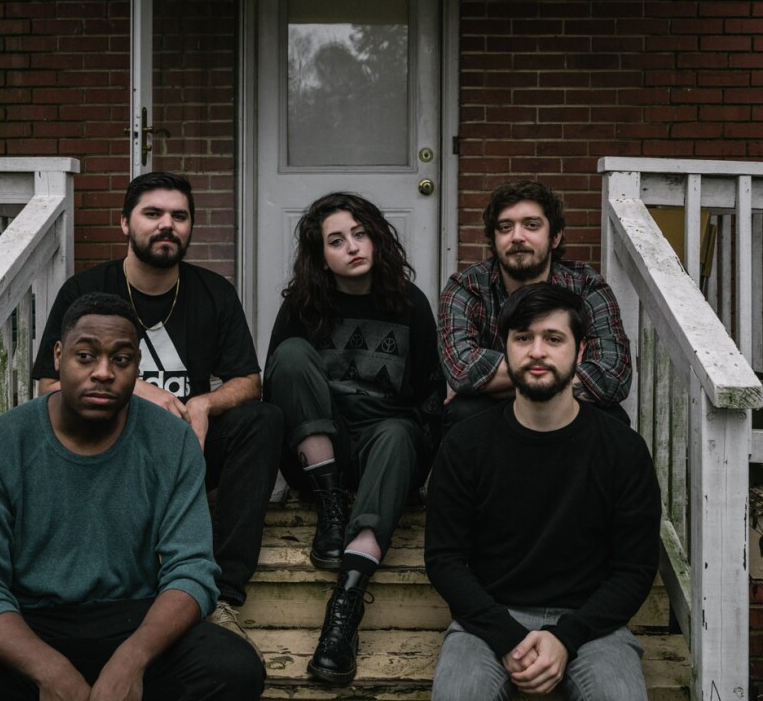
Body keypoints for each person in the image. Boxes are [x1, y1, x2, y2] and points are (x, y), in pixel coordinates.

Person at [0, 293, 264, 701]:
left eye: (121, 360)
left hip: (133, 618)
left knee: (232, 667)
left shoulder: (172, 442)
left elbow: (191, 569)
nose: (103, 372)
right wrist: (49, 670)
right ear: (58, 356)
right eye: (85, 356)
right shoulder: (0, 445)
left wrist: (131, 660)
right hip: (30, 624)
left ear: (137, 367)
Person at [31, 172, 282, 653]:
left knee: (263, 420)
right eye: (153, 214)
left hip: (191, 445)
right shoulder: (86, 290)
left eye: (179, 216)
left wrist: (205, 402)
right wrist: (141, 390)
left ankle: (224, 592)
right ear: (124, 223)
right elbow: (48, 382)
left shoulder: (214, 291)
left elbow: (250, 380)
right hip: (114, 445)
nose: (167, 225)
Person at [425, 283, 661, 700]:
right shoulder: (465, 444)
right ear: (506, 348)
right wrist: (505, 633)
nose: (537, 351)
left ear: (581, 350)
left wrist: (567, 636)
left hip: (592, 623)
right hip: (486, 620)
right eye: (523, 338)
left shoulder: (622, 449)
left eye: (553, 339)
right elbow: (444, 559)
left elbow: (635, 570)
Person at [264, 192, 444, 684]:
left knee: (398, 431)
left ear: (377, 238)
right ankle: (330, 510)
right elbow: (279, 382)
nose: (352, 247)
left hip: (384, 447)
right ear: (321, 255)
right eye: (336, 240)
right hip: (317, 447)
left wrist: (417, 457)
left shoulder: (410, 304)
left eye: (360, 234)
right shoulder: (302, 305)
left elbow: (430, 392)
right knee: (294, 354)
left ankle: (345, 604)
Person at [437, 180, 632, 430]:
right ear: (494, 240)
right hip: (496, 416)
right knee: (462, 411)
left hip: (565, 417)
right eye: (505, 227)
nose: (517, 237)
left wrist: (492, 383)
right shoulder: (466, 287)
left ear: (555, 237)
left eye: (531, 225)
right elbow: (462, 369)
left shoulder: (586, 286)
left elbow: (613, 376)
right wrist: (564, 371)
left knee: (613, 417)